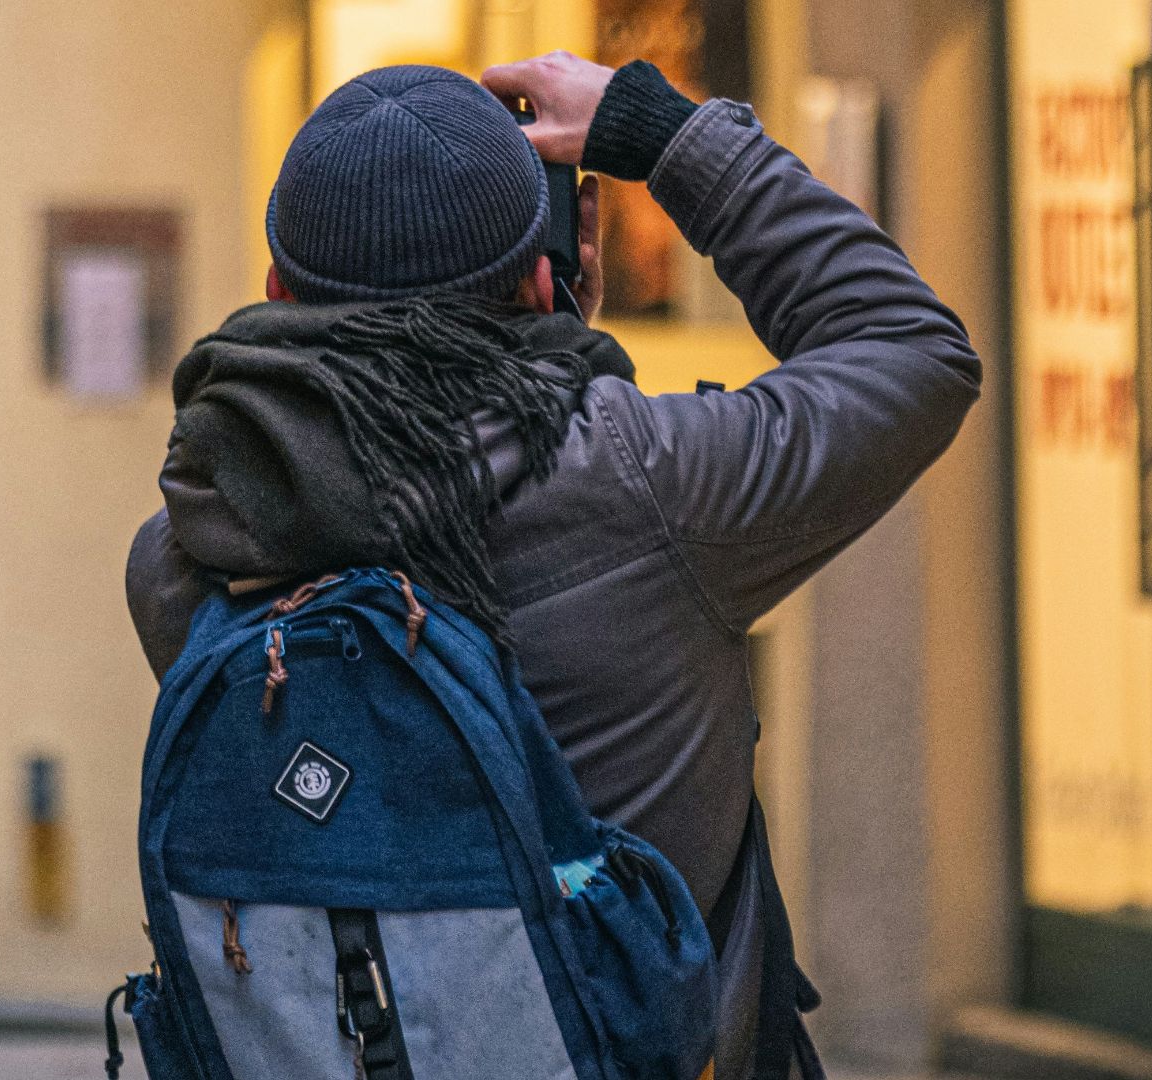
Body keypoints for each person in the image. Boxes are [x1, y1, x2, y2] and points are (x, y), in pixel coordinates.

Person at [126, 51, 980, 1080]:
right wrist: (660, 132)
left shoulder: (191, 550)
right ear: (547, 279)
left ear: (278, 290)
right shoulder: (651, 486)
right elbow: (911, 350)